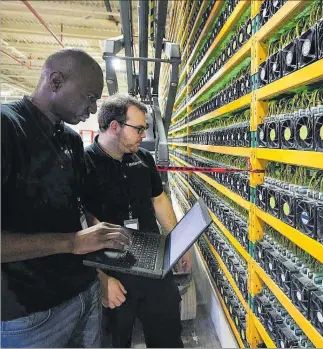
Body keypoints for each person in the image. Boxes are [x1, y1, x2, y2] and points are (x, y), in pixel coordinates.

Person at [1, 48, 130, 348]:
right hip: (31, 315)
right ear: (56, 82)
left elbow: (78, 210)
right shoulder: (6, 129)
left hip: (83, 293)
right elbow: (74, 236)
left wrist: (101, 247)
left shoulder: (71, 140)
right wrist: (73, 242)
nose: (94, 107)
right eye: (89, 96)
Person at [84, 94, 191, 348]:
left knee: (167, 333)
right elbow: (80, 225)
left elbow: (159, 200)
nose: (144, 134)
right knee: (115, 339)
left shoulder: (143, 158)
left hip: (153, 263)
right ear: (114, 127)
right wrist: (101, 278)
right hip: (114, 271)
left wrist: (179, 241)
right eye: (139, 129)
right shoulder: (83, 164)